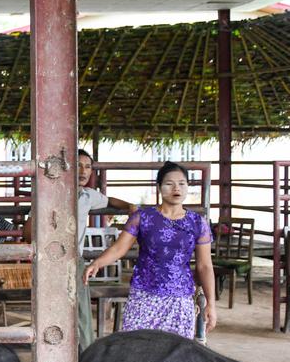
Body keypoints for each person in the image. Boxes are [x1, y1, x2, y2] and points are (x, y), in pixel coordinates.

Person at [85, 161, 216, 338]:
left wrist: (211, 304)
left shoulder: (198, 223)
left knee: (174, 356)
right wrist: (97, 263)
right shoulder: (142, 218)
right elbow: (119, 248)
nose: (176, 188)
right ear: (159, 187)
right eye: (169, 184)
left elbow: (204, 266)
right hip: (143, 295)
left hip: (179, 299)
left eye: (182, 184)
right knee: (136, 349)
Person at [24, 149, 135, 350]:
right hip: (50, 261)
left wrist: (130, 206)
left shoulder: (87, 195)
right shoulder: (48, 193)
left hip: (76, 261)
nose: (84, 171)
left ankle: (84, 356)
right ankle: (51, 354)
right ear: (67, 168)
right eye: (78, 165)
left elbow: (110, 201)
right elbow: (27, 232)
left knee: (82, 312)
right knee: (51, 310)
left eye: (88, 166)